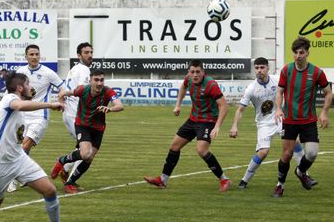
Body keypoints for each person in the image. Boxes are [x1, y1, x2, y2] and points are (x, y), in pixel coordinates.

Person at [0, 72, 79, 222]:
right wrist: (50, 104)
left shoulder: (17, 99)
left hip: (18, 158)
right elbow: (19, 105)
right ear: (20, 87)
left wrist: (35, 96)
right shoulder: (9, 99)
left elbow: (26, 101)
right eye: (28, 84)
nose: (31, 87)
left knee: (49, 190)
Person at [144, 60, 231, 191]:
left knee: (201, 150)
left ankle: (224, 179)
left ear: (203, 72)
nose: (195, 75)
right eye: (192, 72)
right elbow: (183, 87)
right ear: (188, 72)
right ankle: (163, 180)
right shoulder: (188, 79)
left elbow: (224, 105)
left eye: (198, 72)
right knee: (174, 146)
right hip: (193, 119)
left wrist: (217, 126)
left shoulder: (211, 85)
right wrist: (178, 104)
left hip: (207, 120)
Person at [229, 57, 305, 189]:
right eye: (257, 68)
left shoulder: (277, 80)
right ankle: (244, 180)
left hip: (280, 119)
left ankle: (304, 175)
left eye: (262, 67)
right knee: (263, 152)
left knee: (296, 142)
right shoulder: (251, 89)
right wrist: (234, 126)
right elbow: (240, 109)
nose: (259, 70)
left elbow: (291, 90)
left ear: (268, 68)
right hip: (264, 124)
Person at [272, 36, 332, 198]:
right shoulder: (286, 70)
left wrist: (324, 112)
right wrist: (278, 108)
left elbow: (328, 93)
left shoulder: (317, 72)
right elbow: (279, 91)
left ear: (307, 53)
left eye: (301, 52)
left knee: (312, 153)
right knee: (286, 154)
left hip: (309, 121)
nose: (298, 55)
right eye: (295, 53)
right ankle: (280, 185)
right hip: (290, 120)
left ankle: (300, 171)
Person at [50, 70, 124, 194]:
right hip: (82, 125)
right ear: (90, 81)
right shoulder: (82, 90)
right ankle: (62, 161)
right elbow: (64, 93)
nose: (99, 83)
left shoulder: (107, 91)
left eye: (101, 80)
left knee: (89, 158)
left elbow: (120, 105)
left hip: (98, 129)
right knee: (85, 154)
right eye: (96, 80)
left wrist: (110, 109)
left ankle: (70, 182)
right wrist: (61, 103)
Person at [6, 44, 65, 193]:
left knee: (25, 146)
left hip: (40, 116)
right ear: (26, 56)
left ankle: (12, 179)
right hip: (22, 115)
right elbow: (11, 92)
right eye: (31, 54)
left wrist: (61, 98)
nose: (34, 57)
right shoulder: (20, 72)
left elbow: (62, 87)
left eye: (37, 54)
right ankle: (25, 176)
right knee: (20, 146)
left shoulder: (48, 73)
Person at [52, 42, 93, 184]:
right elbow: (84, 90)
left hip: (71, 113)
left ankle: (66, 169)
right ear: (79, 55)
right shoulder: (83, 70)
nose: (89, 55)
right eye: (86, 52)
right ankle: (69, 179)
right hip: (76, 115)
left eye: (91, 52)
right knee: (86, 149)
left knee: (81, 147)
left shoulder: (74, 69)